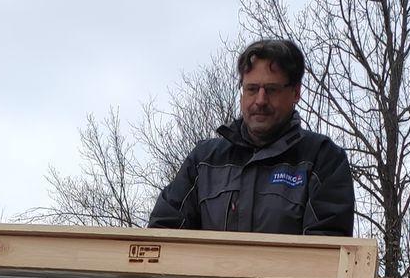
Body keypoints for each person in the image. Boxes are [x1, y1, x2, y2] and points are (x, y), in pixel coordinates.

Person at [148, 39, 355, 237]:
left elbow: (327, 249)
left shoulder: (323, 159)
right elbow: (162, 236)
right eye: (252, 89)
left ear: (296, 92)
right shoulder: (204, 161)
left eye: (271, 90)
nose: (260, 100)